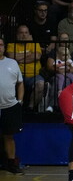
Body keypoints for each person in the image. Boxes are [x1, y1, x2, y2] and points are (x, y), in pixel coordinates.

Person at [0, 37, 24, 174]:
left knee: (9, 136)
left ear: (4, 47)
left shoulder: (12, 63)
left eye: (1, 45)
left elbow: (20, 83)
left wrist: (19, 101)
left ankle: (11, 163)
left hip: (10, 106)